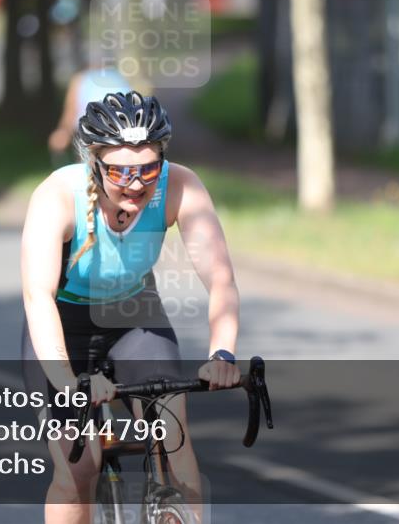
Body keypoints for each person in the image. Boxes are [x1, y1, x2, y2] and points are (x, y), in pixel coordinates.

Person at [21, 90, 242, 524]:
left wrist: (222, 355)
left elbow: (221, 280)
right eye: (120, 171)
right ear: (94, 163)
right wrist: (68, 381)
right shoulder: (57, 197)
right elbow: (37, 297)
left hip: (135, 319)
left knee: (177, 454)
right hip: (64, 326)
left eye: (147, 169)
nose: (137, 183)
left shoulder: (179, 185)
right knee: (78, 472)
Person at [47, 65, 131, 158]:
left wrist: (63, 131)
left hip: (92, 131)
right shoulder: (118, 76)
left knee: (90, 165)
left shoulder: (81, 78)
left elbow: (71, 110)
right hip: (122, 128)